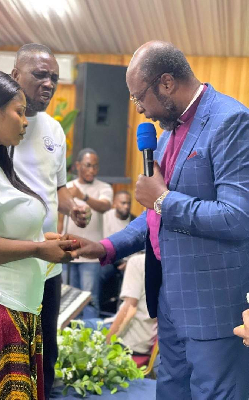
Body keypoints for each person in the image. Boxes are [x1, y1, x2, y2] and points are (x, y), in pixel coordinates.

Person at [69, 41, 249, 399]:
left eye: (139, 98)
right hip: (168, 303)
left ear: (166, 83)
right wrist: (105, 246)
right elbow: (154, 217)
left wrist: (164, 199)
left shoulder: (231, 120)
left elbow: (238, 217)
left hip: (213, 309)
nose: (139, 110)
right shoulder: (165, 137)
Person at [0, 69, 77, 399]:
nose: (24, 121)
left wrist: (40, 241)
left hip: (8, 305)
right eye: (18, 112)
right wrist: (36, 250)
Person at [10, 43, 90, 399]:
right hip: (9, 261)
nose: (49, 83)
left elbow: (57, 189)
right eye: (39, 74)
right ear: (15, 76)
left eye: (54, 77)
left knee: (47, 347)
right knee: (10, 349)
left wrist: (74, 207)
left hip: (49, 266)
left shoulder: (55, 130)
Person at [61, 148, 113, 318]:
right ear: (77, 166)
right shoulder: (66, 188)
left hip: (91, 256)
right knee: (68, 300)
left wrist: (83, 197)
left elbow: (104, 206)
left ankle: (90, 339)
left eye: (95, 166)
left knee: (90, 300)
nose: (92, 170)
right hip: (68, 253)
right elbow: (60, 216)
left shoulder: (104, 187)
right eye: (88, 166)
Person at [85, 253, 157, 356]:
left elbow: (129, 311)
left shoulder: (138, 262)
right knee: (83, 323)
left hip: (129, 340)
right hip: (147, 337)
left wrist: (106, 344)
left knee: (72, 327)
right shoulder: (173, 264)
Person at [100, 191, 135, 314]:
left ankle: (121, 313)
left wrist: (129, 262)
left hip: (128, 262)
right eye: (123, 203)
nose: (126, 206)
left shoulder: (134, 221)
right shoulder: (105, 217)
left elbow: (140, 248)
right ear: (115, 203)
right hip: (108, 258)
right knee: (100, 273)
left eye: (129, 203)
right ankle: (100, 308)